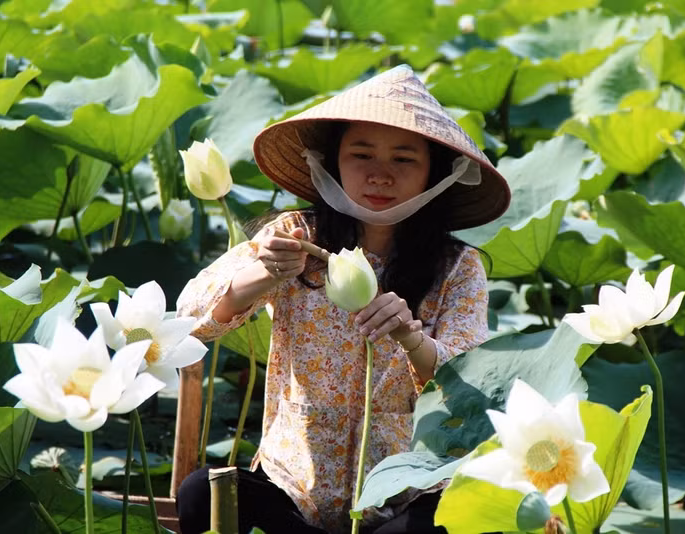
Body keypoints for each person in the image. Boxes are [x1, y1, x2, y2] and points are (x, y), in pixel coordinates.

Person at [175, 64, 511, 534]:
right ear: (332, 163)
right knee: (200, 494)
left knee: (453, 521)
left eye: (403, 159)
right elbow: (190, 319)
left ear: (435, 173)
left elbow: (468, 386)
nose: (380, 174)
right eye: (361, 154)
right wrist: (262, 273)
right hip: (293, 487)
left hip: (404, 492)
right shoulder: (294, 237)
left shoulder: (458, 267)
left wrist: (411, 338)